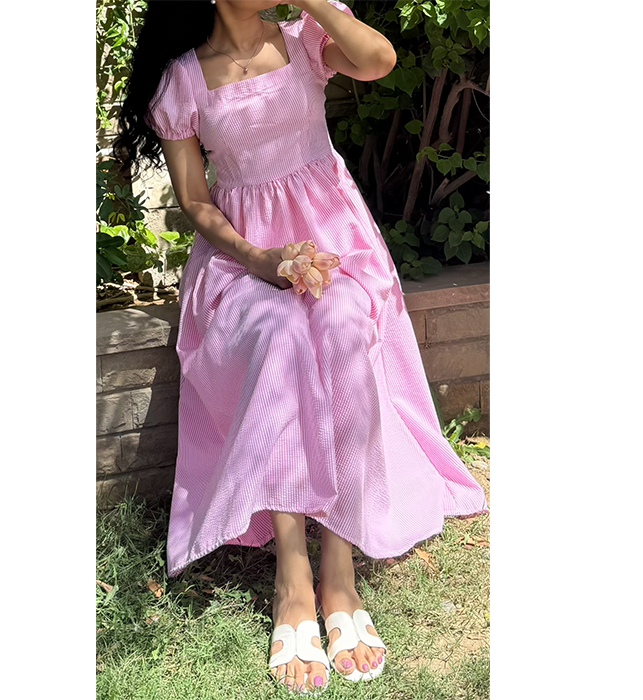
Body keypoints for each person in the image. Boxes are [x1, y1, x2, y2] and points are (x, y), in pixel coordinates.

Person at [113, 0, 488, 694]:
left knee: (342, 325)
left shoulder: (305, 37)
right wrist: (258, 259)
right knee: (280, 335)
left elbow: (379, 60)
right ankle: (293, 574)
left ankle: (338, 571)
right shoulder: (184, 79)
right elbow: (195, 200)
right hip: (242, 260)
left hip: (334, 242)